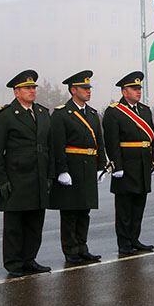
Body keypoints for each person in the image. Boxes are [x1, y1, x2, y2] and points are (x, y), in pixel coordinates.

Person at [0, 70, 52, 277]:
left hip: (39, 176)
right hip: (16, 178)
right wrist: (1, 180)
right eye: (27, 88)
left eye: (34, 87)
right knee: (15, 225)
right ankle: (14, 263)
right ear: (16, 92)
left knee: (35, 222)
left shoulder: (43, 113)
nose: (32, 91)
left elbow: (48, 146)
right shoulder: (5, 116)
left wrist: (50, 175)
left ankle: (29, 259)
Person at [50, 70, 107, 265]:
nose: (88, 91)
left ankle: (83, 248)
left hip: (89, 167)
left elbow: (99, 141)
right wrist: (62, 170)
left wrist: (101, 166)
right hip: (72, 168)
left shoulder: (91, 113)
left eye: (89, 88)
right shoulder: (61, 114)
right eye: (84, 88)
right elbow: (57, 145)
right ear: (73, 90)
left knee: (84, 211)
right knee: (70, 213)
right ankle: (70, 250)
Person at [102, 71, 154, 256]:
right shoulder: (114, 111)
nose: (138, 92)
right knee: (125, 208)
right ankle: (124, 242)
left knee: (139, 205)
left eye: (139, 89)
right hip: (126, 165)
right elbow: (112, 141)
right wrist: (116, 165)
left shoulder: (144, 110)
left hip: (142, 164)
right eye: (134, 89)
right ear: (124, 91)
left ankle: (135, 238)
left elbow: (151, 136)